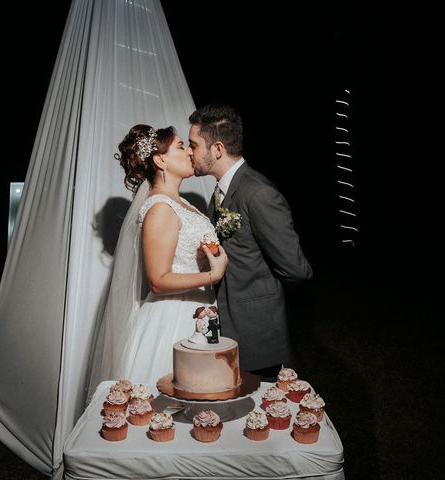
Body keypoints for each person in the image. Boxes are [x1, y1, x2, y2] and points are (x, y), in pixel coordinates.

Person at [87, 124, 228, 391]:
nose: (189, 153)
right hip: (173, 320)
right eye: (180, 146)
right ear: (160, 159)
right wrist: (213, 274)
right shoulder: (160, 208)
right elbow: (158, 280)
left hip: (199, 312)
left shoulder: (180, 204)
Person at [188, 104, 312, 382]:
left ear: (217, 149)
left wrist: (262, 300)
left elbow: (296, 269)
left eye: (193, 144)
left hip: (255, 334)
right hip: (226, 327)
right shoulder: (222, 191)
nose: (189, 151)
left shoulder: (258, 194)